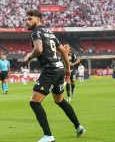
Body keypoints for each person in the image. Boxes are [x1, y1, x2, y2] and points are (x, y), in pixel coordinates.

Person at [24, 9, 86, 142]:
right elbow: (63, 51)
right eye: (26, 19)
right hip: (59, 68)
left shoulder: (36, 32)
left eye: (30, 19)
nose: (27, 22)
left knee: (34, 102)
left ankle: (48, 136)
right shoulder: (49, 32)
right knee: (59, 100)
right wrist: (68, 70)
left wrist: (29, 58)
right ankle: (78, 127)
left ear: (38, 20)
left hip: (50, 69)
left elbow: (38, 49)